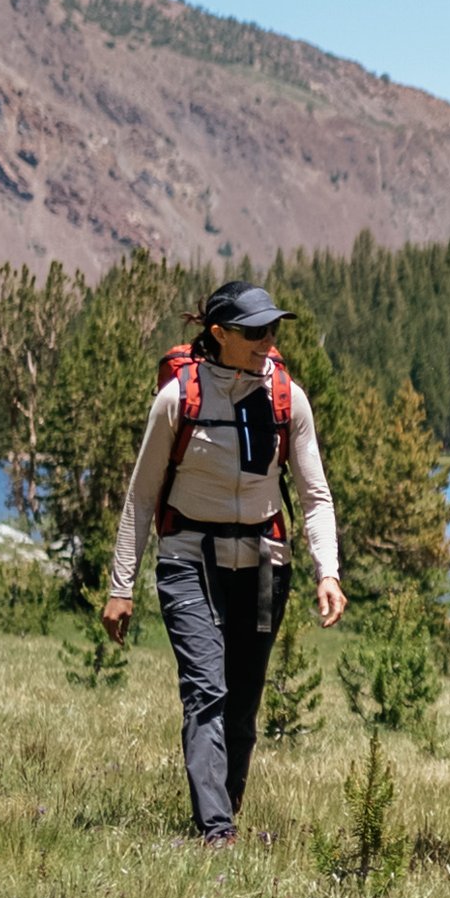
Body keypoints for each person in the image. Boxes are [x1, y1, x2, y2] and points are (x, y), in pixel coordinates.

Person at [104, 283, 345, 843]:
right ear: (219, 334)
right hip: (189, 560)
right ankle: (216, 832)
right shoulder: (178, 400)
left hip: (265, 564)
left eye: (272, 330)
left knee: (242, 700)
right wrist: (122, 586)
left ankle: (225, 810)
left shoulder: (290, 399)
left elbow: (315, 496)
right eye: (254, 330)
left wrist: (327, 571)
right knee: (205, 691)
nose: (268, 340)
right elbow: (141, 497)